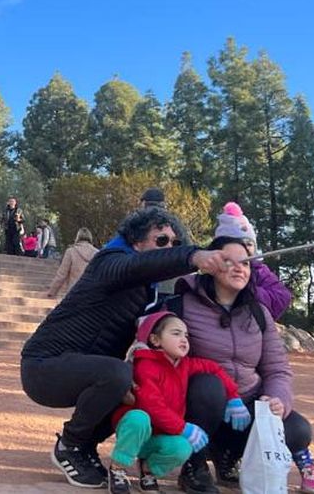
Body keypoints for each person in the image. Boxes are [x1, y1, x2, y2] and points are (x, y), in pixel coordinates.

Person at [19, 207, 231, 488]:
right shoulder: (109, 262)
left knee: (134, 385)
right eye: (161, 240)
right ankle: (70, 445)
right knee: (118, 375)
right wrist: (192, 255)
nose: (168, 247)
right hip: (43, 367)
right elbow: (134, 267)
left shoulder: (147, 290)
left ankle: (85, 447)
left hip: (88, 369)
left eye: (174, 244)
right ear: (136, 241)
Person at [163, 236, 314, 494]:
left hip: (247, 407)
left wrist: (277, 398)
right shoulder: (182, 306)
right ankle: (194, 466)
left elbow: (277, 368)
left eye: (247, 263)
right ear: (210, 264)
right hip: (198, 407)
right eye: (230, 261)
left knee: (297, 430)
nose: (240, 268)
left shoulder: (259, 312)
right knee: (209, 385)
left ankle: (227, 456)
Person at [105, 311, 246, 494]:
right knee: (139, 418)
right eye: (176, 333)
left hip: (159, 436)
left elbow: (214, 368)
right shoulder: (145, 365)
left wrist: (233, 396)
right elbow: (151, 406)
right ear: (155, 340)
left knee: (182, 447)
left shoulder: (185, 364)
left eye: (186, 335)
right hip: (136, 432)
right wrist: (183, 428)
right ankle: (118, 468)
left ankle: (148, 470)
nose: (184, 339)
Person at [212, 202, 293, 318]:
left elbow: (282, 297)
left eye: (249, 244)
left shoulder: (260, 270)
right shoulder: (213, 265)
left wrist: (247, 288)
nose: (245, 249)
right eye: (238, 243)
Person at [46, 227, 99, 300]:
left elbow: (62, 274)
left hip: (74, 292)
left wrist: (52, 291)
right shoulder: (97, 253)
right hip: (92, 294)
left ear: (77, 237)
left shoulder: (71, 251)